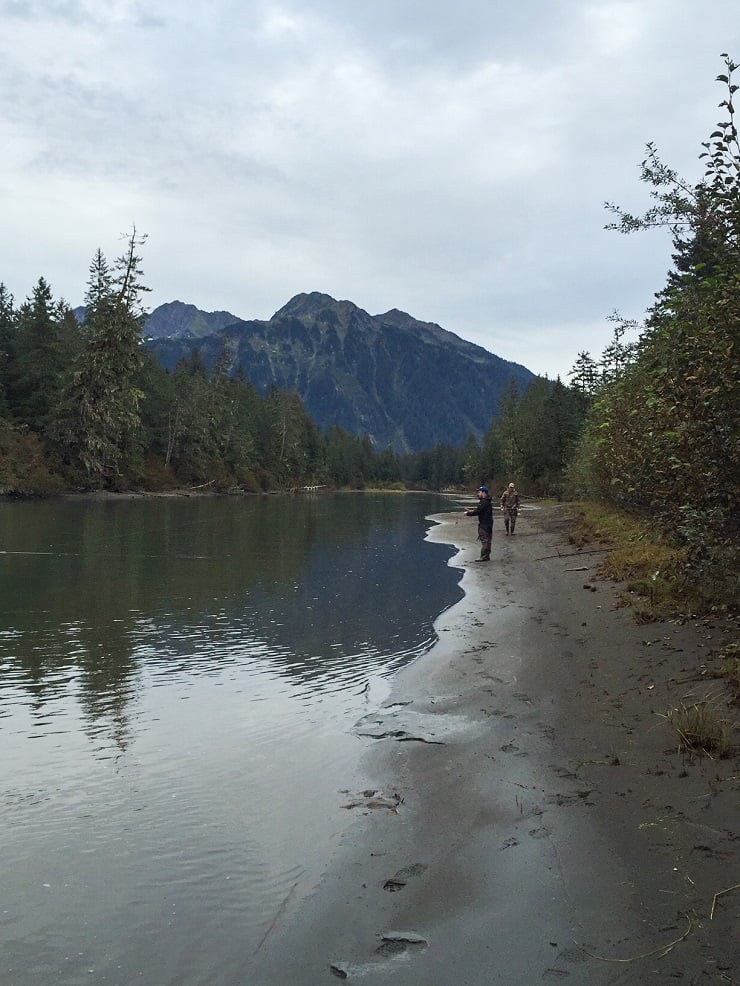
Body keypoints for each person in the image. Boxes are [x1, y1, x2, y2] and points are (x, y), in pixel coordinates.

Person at [464, 485, 493, 561]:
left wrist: (468, 513)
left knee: (485, 540)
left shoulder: (483, 502)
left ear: (484, 493)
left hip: (484, 525)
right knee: (488, 540)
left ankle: (483, 556)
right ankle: (486, 556)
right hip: (489, 524)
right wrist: (472, 511)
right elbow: (480, 511)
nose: (478, 493)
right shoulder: (487, 501)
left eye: (479, 492)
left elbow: (478, 511)